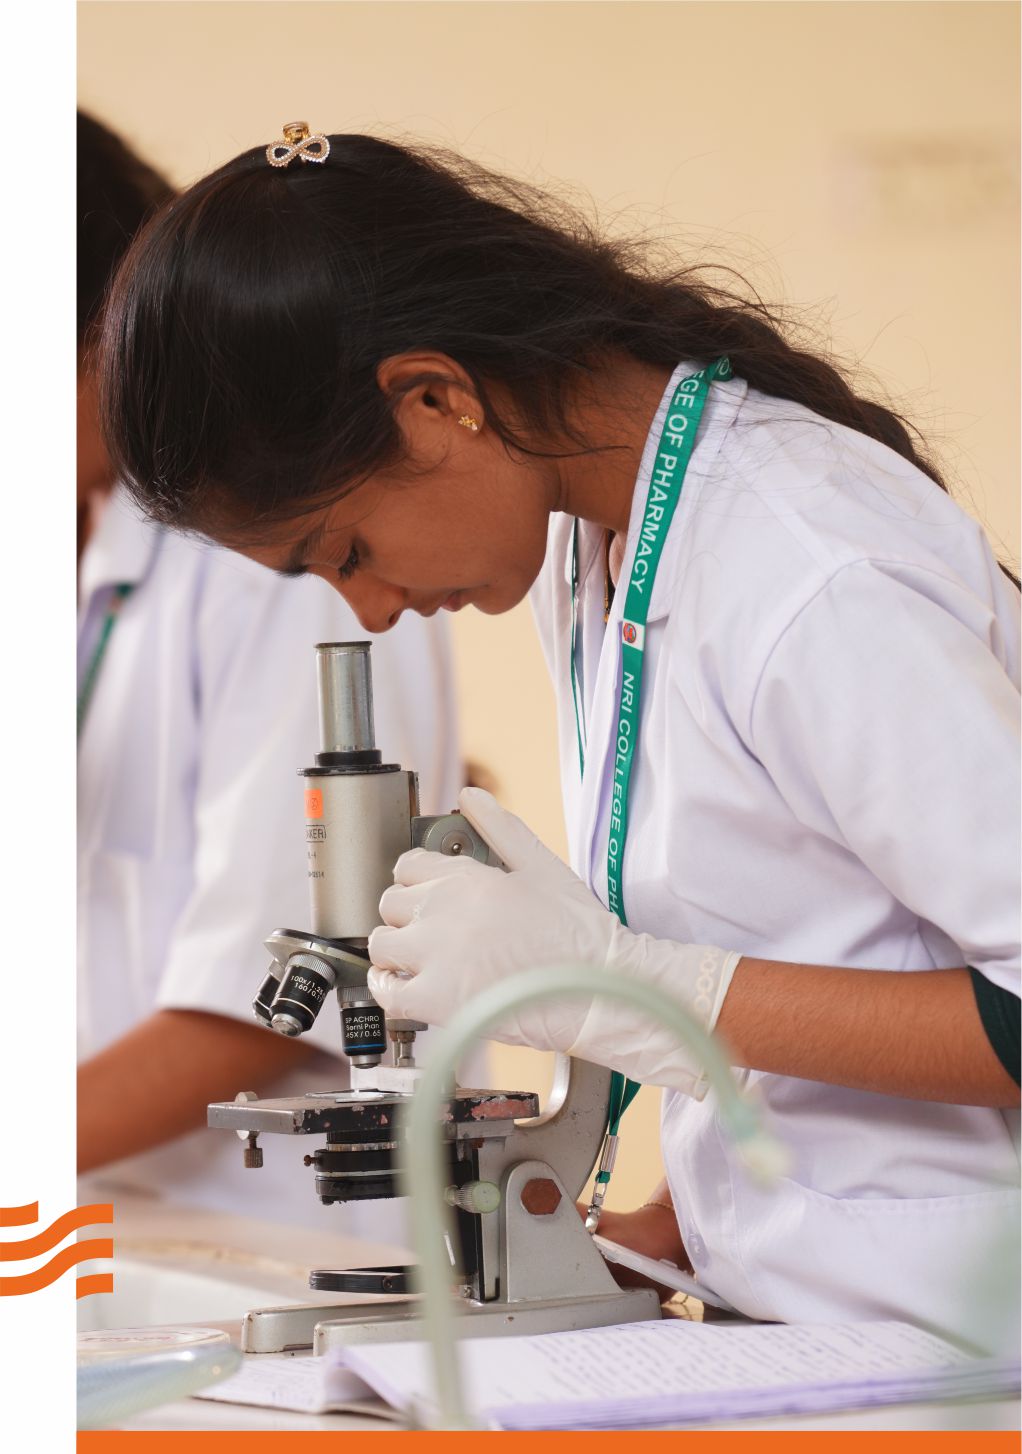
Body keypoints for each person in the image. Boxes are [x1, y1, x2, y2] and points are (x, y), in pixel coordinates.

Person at [97, 126, 1019, 1341]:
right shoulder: (596, 545)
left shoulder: (810, 571)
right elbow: (817, 937)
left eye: (347, 551)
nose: (367, 610)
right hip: (801, 1320)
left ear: (434, 402)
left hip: (959, 1345)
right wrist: (673, 1224)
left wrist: (630, 986)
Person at [77, 114, 465, 1229]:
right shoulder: (79, 546)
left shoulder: (277, 553)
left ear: (105, 334)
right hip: (112, 1228)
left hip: (286, 1236)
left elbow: (259, 1004)